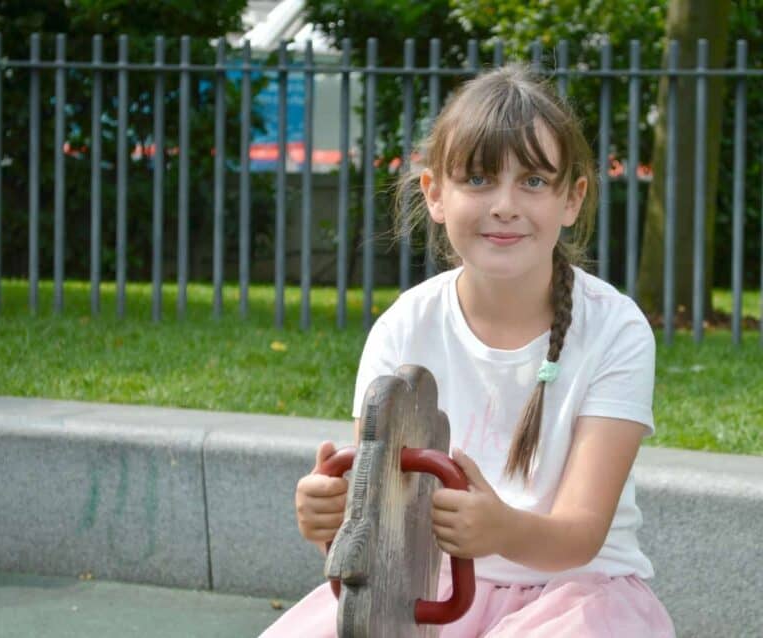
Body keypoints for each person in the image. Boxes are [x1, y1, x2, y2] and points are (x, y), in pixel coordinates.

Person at [261, 64, 675, 637]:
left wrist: (500, 529)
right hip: (426, 587)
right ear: (434, 194)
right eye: (479, 179)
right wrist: (329, 519)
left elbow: (581, 534)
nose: (505, 205)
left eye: (533, 181)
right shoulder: (405, 326)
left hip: (576, 595)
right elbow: (380, 517)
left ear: (572, 199)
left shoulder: (615, 330)